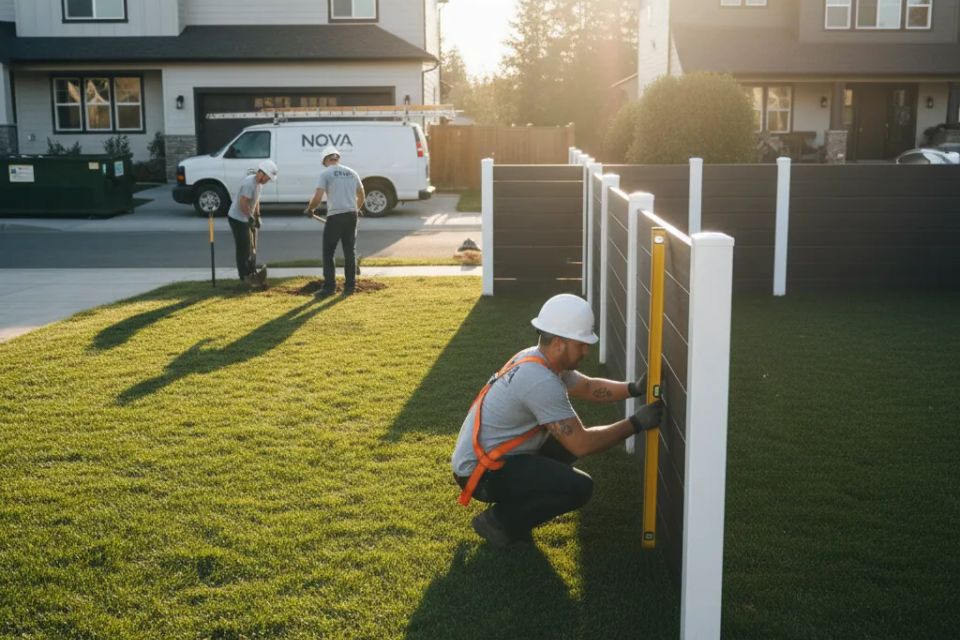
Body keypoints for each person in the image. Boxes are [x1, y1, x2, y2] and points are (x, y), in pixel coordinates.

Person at [451, 293, 665, 548]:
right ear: (560, 344)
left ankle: (511, 510)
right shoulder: (540, 380)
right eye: (581, 343)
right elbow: (582, 444)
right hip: (480, 473)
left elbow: (587, 387)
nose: (586, 349)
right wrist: (636, 424)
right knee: (578, 486)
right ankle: (500, 521)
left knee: (563, 442)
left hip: (488, 460)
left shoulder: (538, 358)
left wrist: (633, 388)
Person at [303, 146, 366, 298]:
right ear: (337, 158)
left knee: (328, 252)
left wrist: (310, 209)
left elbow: (318, 197)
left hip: (335, 217)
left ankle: (329, 288)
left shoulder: (326, 173)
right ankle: (350, 287)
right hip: (352, 215)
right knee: (349, 251)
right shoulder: (352, 172)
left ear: (325, 160)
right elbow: (362, 195)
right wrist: (355, 209)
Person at [227, 160, 278, 286]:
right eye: (268, 178)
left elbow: (255, 201)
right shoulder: (249, 183)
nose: (267, 181)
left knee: (250, 248)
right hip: (237, 218)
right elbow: (242, 203)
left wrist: (257, 216)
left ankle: (251, 273)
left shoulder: (259, 184)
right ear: (262, 173)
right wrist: (250, 217)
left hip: (246, 216)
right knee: (243, 248)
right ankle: (244, 277)